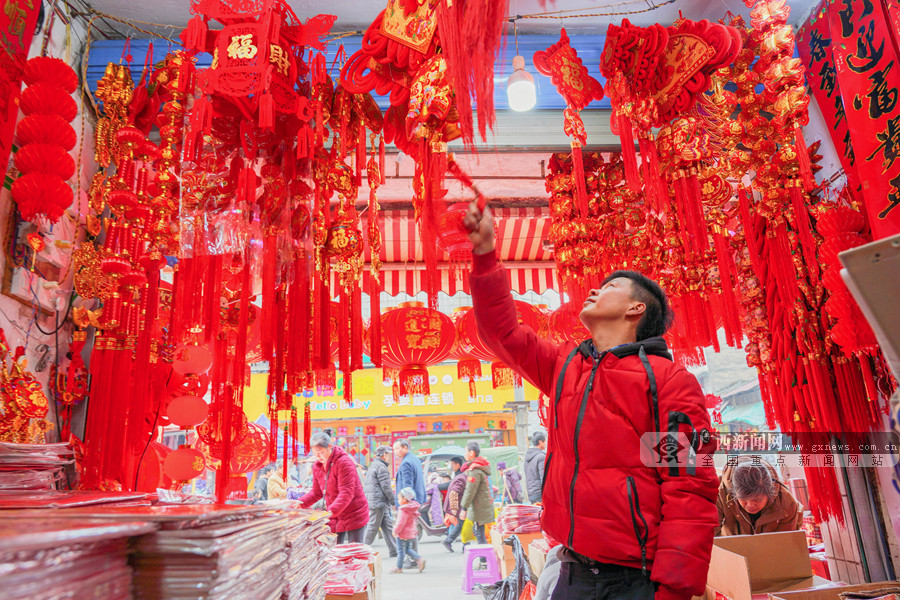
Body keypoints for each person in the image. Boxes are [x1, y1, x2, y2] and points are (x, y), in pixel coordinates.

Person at [464, 201, 719, 600]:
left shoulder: (669, 382)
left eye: (612, 286)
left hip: (638, 579)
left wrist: (674, 590)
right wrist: (484, 258)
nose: (596, 289)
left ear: (637, 309)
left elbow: (688, 486)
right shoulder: (566, 366)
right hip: (573, 569)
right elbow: (503, 335)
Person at [300, 432, 370, 544]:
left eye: (321, 452)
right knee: (335, 551)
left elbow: (346, 493)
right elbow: (316, 492)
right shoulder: (317, 466)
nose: (318, 456)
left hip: (354, 513)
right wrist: (300, 503)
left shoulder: (344, 463)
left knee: (354, 551)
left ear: (329, 447)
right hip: (335, 515)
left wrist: (331, 511)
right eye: (314, 453)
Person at [716, 457, 803, 536]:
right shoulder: (721, 493)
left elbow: (786, 541)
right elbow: (710, 533)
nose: (750, 505)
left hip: (771, 549)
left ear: (769, 493)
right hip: (732, 549)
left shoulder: (786, 502)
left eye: (757, 499)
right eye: (744, 499)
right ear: (734, 493)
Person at [364, 445, 398, 557]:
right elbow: (386, 487)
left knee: (387, 527)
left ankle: (395, 550)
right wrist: (394, 501)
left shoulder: (374, 466)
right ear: (384, 455)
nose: (388, 456)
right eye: (388, 454)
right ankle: (361, 551)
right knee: (372, 527)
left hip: (376, 501)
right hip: (378, 502)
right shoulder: (381, 468)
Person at [459, 441, 494, 545]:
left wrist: (464, 508)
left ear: (472, 453)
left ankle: (484, 560)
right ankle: (484, 559)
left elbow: (470, 491)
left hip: (479, 507)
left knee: (479, 533)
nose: (465, 454)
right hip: (482, 505)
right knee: (479, 532)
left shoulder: (475, 470)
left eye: (466, 451)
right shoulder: (478, 467)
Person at [391, 487, 426, 574]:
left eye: (399, 498)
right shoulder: (412, 508)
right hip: (410, 533)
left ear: (404, 499)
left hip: (402, 533)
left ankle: (398, 568)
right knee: (406, 549)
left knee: (400, 551)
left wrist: (395, 531)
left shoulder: (403, 510)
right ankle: (419, 559)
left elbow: (400, 523)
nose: (398, 500)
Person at [441, 459, 469, 552]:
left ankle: (448, 541)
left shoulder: (460, 476)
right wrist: (454, 509)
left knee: (462, 525)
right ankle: (466, 546)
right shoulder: (462, 478)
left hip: (458, 506)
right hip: (458, 507)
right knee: (465, 525)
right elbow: (454, 493)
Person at [524, 432, 547, 503]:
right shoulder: (541, 457)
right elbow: (543, 477)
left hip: (531, 493)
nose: (546, 443)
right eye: (545, 441)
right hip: (539, 493)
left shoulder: (527, 457)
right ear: (540, 442)